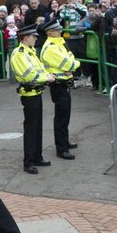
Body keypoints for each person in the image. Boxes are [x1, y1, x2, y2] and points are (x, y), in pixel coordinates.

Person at [10, 25, 55, 174]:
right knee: (31, 129)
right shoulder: (19, 53)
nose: (36, 38)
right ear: (26, 37)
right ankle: (28, 161)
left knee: (37, 127)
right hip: (29, 95)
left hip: (37, 92)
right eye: (33, 36)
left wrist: (47, 75)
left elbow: (39, 70)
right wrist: (47, 78)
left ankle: (37, 156)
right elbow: (29, 75)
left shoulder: (30, 52)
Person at [40, 20, 80, 160]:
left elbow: (70, 57)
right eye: (57, 30)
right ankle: (61, 148)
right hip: (58, 84)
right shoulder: (51, 47)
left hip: (64, 84)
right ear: (49, 33)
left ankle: (65, 142)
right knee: (61, 118)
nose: (60, 31)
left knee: (65, 116)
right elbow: (70, 63)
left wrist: (72, 64)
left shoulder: (58, 43)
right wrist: (74, 65)